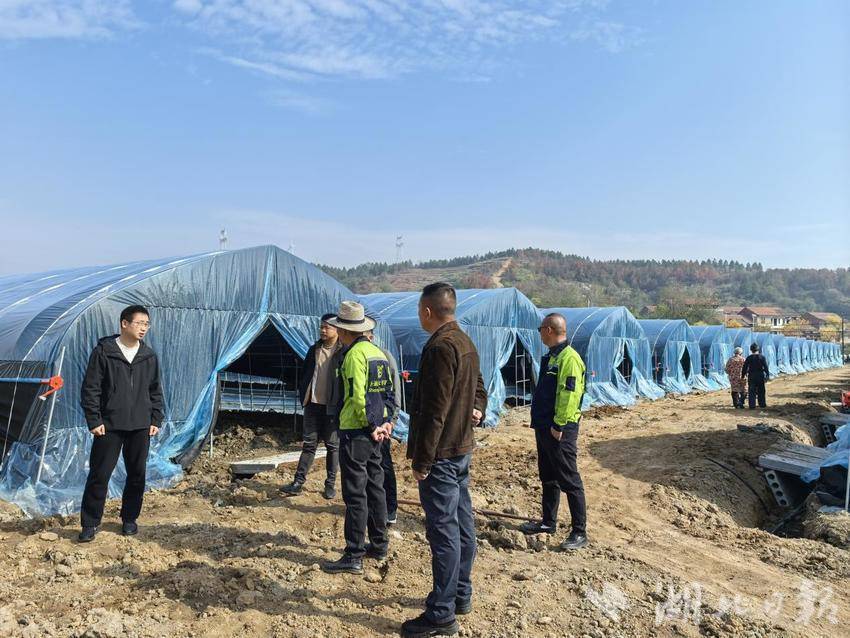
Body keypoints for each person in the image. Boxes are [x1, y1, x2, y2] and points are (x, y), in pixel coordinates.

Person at [401, 283, 487, 638]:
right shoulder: (464, 341)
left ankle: (441, 614)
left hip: (442, 454)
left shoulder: (439, 347)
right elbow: (478, 385)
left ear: (427, 311)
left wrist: (423, 461)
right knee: (462, 523)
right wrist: (478, 407)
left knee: (444, 531)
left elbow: (434, 411)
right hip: (461, 448)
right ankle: (460, 594)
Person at [78, 305, 163, 542]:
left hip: (140, 425)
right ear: (124, 324)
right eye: (139, 323)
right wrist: (94, 420)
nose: (144, 328)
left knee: (137, 474)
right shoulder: (104, 352)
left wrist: (155, 418)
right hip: (109, 425)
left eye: (147, 324)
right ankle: (90, 523)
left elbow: (155, 390)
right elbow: (91, 388)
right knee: (100, 474)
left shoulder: (148, 356)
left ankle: (129, 519)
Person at [322, 301, 394, 575]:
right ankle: (379, 543)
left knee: (355, 493)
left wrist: (372, 423)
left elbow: (357, 396)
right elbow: (387, 391)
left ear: (343, 331)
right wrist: (385, 423)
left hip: (357, 430)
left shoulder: (353, 356)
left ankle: (354, 553)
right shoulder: (377, 353)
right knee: (376, 486)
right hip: (377, 433)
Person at [519, 313, 588, 551]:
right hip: (544, 427)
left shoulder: (569, 358)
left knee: (569, 478)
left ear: (549, 330)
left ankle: (579, 531)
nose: (539, 333)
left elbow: (569, 394)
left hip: (559, 429)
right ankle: (548, 522)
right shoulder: (552, 357)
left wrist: (559, 425)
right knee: (548, 477)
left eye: (540, 329)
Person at [282, 313, 342, 499]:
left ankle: (330, 485)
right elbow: (306, 373)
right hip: (312, 404)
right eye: (321, 327)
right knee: (309, 445)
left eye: (327, 327)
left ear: (337, 330)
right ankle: (298, 482)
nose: (323, 331)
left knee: (332, 446)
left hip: (332, 407)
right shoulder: (314, 349)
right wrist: (304, 395)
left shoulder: (343, 351)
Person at [365, 328, 401, 525]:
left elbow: (395, 390)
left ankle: (390, 508)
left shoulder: (384, 356)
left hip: (382, 421)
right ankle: (374, 506)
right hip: (364, 420)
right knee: (369, 467)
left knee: (384, 464)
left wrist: (392, 419)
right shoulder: (354, 355)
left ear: (371, 336)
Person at [742, 343, 770, 409]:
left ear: (751, 350)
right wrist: (767, 375)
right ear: (758, 349)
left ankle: (752, 406)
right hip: (760, 375)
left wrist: (743, 376)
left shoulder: (749, 358)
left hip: (752, 376)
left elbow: (745, 367)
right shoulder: (762, 357)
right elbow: (765, 367)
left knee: (752, 391)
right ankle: (762, 404)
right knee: (761, 390)